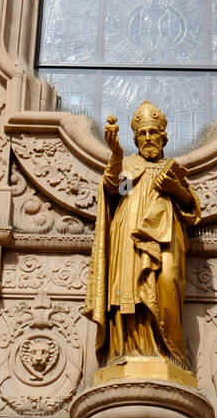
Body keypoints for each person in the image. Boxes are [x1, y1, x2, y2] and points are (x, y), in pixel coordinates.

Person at [84, 100, 201, 370]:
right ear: (136, 140)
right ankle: (129, 349)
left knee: (167, 279)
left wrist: (175, 189)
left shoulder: (172, 169)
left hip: (166, 237)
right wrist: (115, 155)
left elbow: (192, 210)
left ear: (164, 137)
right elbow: (117, 191)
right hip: (130, 233)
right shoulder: (130, 168)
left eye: (153, 133)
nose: (148, 138)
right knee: (130, 290)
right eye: (143, 134)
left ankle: (168, 353)